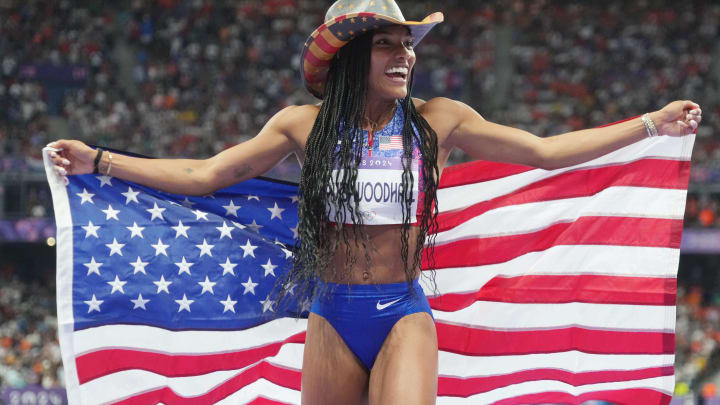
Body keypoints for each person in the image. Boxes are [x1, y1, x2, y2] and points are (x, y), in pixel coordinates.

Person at [47, 0, 702, 403]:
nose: (405, 56)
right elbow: (202, 174)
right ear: (352, 55)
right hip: (331, 315)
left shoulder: (441, 120)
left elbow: (547, 151)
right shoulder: (299, 127)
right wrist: (99, 161)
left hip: (402, 313)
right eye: (389, 44)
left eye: (407, 45)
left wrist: (651, 122)